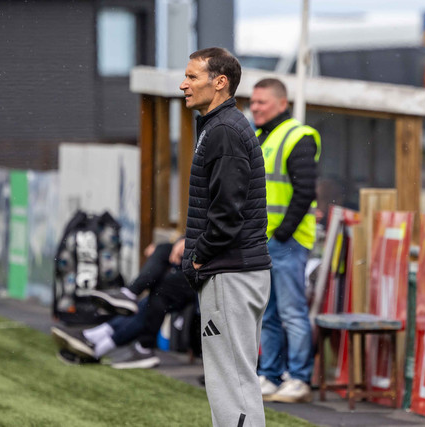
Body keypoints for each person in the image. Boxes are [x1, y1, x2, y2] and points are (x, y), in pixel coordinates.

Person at [179, 47, 271, 427]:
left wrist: (198, 258)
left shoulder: (224, 131)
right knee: (235, 382)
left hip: (230, 273)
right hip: (237, 271)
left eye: (192, 77)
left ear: (220, 82)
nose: (183, 84)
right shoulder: (222, 126)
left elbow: (226, 213)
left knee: (233, 386)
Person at [250, 78, 321, 403]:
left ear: (282, 103)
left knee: (291, 312)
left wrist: (282, 232)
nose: (255, 107)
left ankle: (299, 379)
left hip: (287, 241)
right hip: (265, 241)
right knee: (269, 313)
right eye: (253, 102)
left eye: (262, 102)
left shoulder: (297, 136)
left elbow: (305, 191)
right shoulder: (261, 136)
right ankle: (270, 375)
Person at [51, 237, 198, 369]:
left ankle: (99, 345)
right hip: (198, 261)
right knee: (164, 249)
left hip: (205, 275)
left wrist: (190, 243)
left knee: (163, 288)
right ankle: (97, 336)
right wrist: (183, 241)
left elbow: (209, 234)